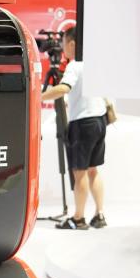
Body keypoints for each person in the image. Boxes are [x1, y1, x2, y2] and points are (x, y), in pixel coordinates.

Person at [40, 27, 108, 230]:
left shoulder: (74, 66)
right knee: (93, 170)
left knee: (80, 173)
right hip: (100, 120)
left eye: (63, 44)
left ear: (72, 44)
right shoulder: (96, 64)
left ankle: (78, 218)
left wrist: (38, 96)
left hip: (83, 124)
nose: (62, 49)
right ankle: (100, 214)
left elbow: (64, 88)